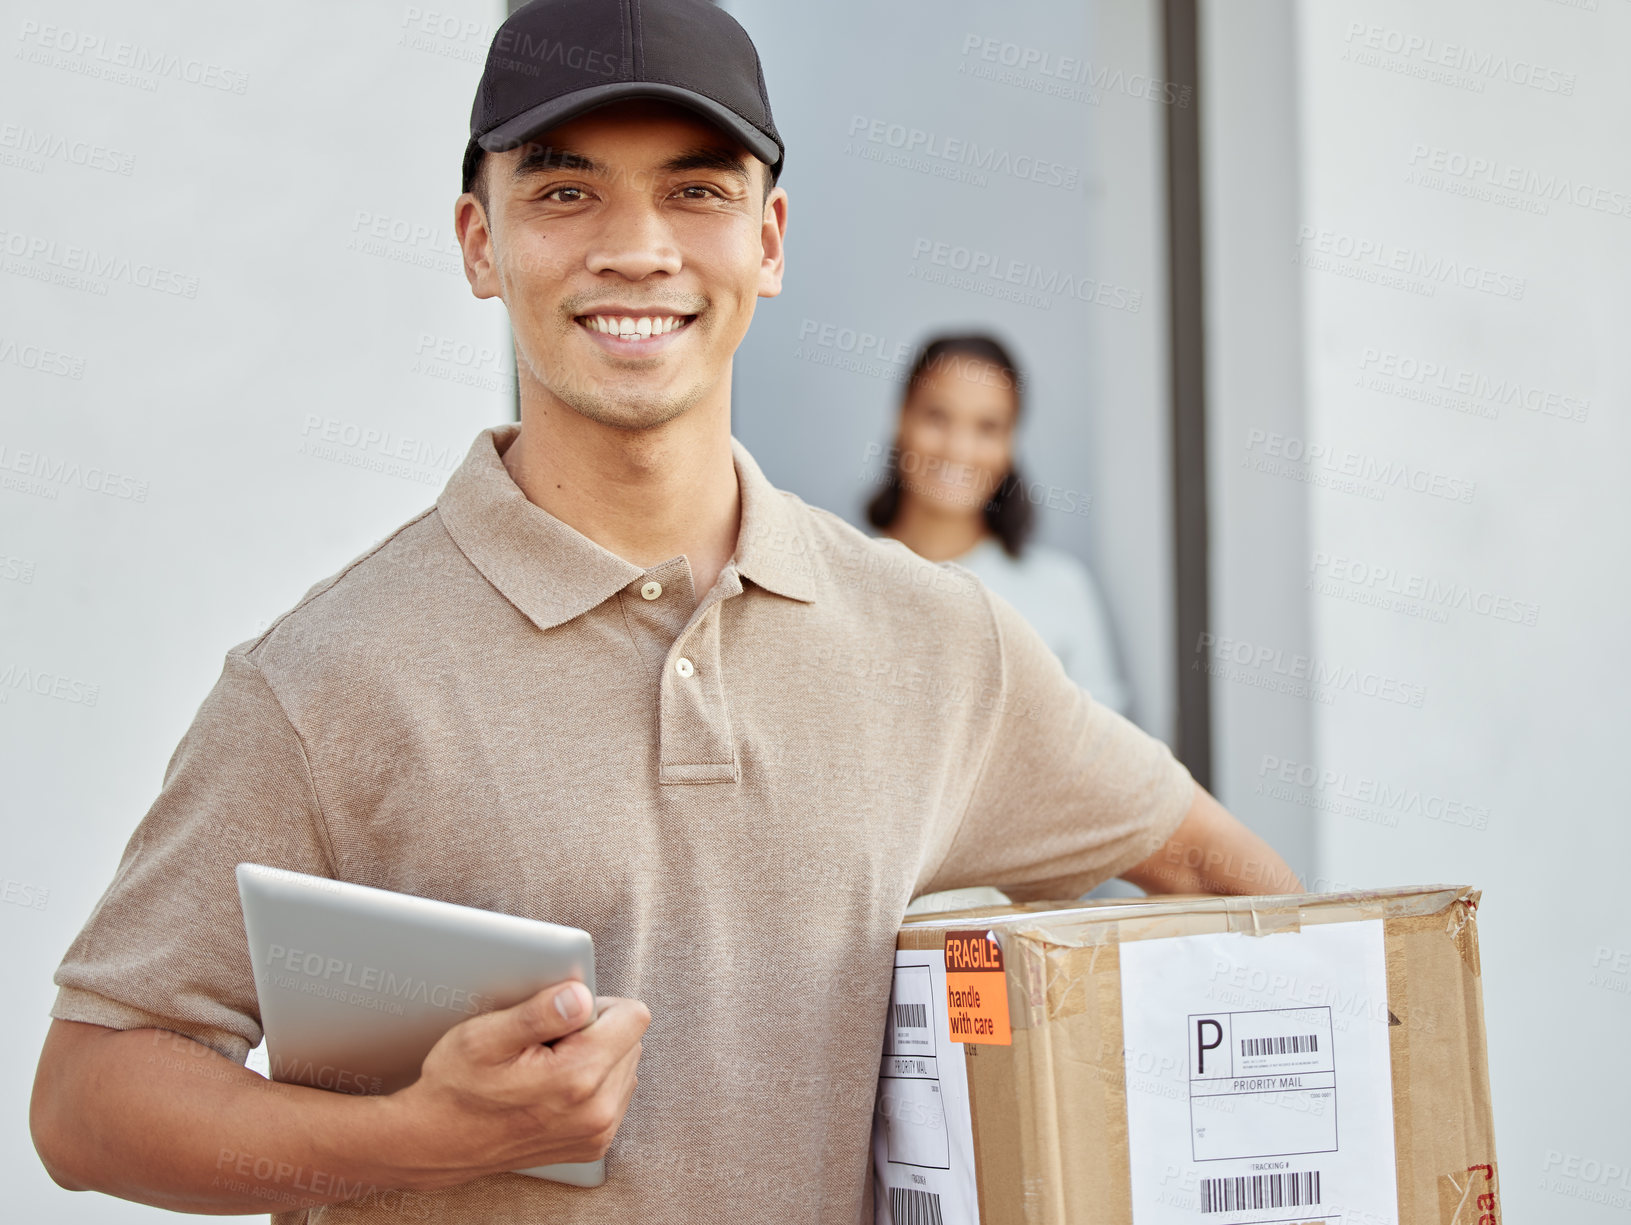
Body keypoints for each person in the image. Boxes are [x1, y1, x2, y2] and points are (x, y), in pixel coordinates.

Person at [28, 1, 1301, 1221]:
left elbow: (1207, 869)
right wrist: (414, 1140)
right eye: (565, 189)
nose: (635, 246)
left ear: (770, 240)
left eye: (695, 190)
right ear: (480, 242)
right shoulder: (325, 679)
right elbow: (88, 1100)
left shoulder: (936, 643)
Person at [867, 333, 1131, 717]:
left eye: (987, 427)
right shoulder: (841, 574)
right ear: (900, 420)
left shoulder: (1063, 591)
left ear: (1011, 443)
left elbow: (1102, 760)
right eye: (937, 417)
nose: (958, 449)